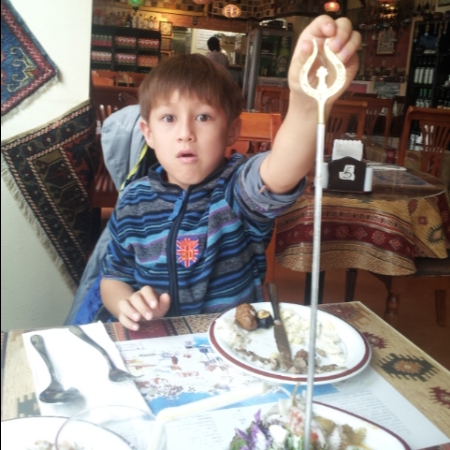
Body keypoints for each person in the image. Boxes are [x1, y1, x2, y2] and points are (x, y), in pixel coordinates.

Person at [73, 15, 360, 331]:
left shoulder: (236, 189)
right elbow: (113, 278)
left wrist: (306, 105)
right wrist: (126, 304)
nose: (185, 133)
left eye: (203, 117)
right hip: (155, 343)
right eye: (169, 118)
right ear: (148, 132)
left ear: (231, 131)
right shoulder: (133, 200)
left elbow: (280, 172)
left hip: (233, 345)